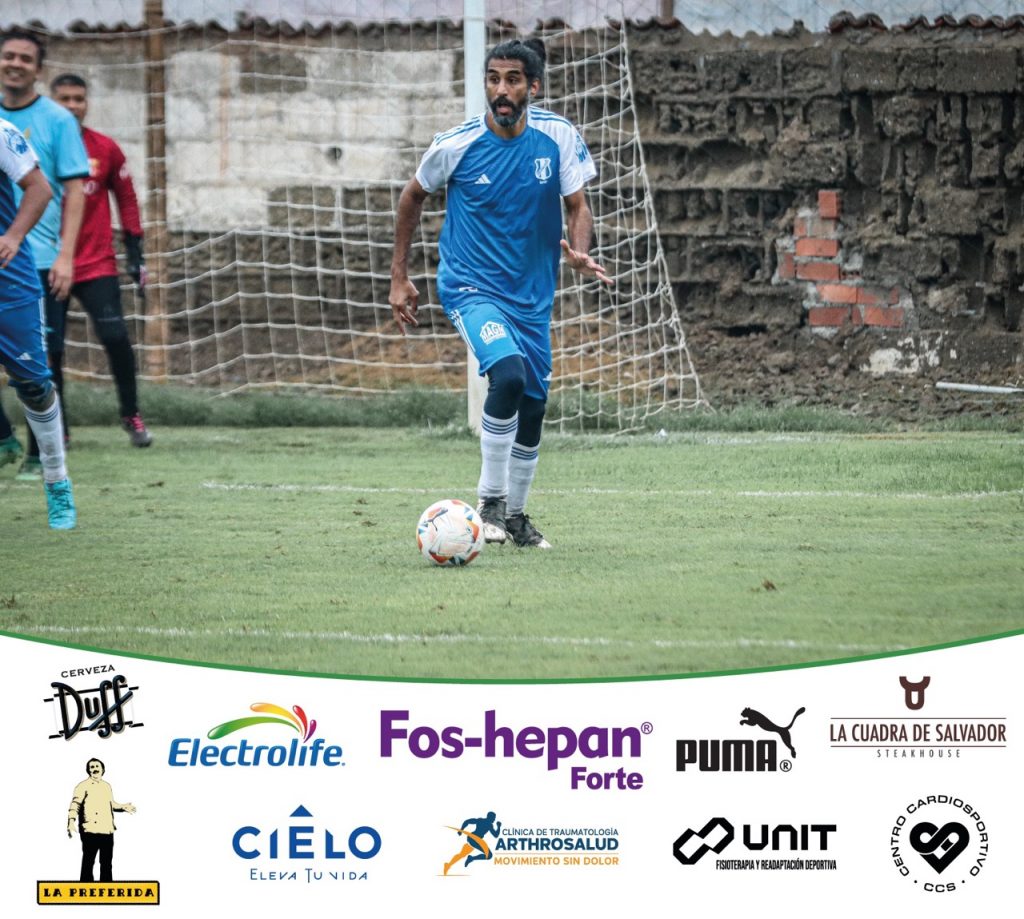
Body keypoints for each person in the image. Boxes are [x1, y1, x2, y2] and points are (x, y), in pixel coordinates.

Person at [389, 38, 609, 550]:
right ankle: (489, 502)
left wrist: (579, 252)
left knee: (533, 405)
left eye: (512, 80)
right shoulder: (457, 144)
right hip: (470, 287)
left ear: (533, 87)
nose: (501, 90)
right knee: (507, 376)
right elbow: (412, 196)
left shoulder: (557, 137)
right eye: (493, 79)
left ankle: (516, 517)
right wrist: (400, 276)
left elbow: (578, 205)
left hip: (532, 295)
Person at [0, 29, 88, 479]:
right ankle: (4, 436)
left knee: (40, 361)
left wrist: (66, 255)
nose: (15, 64)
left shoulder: (57, 119)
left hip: (38, 256)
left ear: (38, 69)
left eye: (25, 58)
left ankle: (42, 456)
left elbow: (73, 190)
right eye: (8, 56)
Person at [50, 73, 152, 448]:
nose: (72, 106)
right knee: (51, 349)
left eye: (78, 98)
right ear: (51, 102)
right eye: (64, 98)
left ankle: (131, 415)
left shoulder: (105, 148)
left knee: (116, 337)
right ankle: (58, 427)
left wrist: (135, 251)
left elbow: (126, 198)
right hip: (48, 265)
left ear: (86, 103)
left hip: (96, 265)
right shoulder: (37, 147)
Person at [0, 114, 76, 528]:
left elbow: (40, 188)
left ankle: (56, 480)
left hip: (8, 283)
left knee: (33, 385)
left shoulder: (1, 132)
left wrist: (13, 236)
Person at [67, 758, 136, 882]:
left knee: (106, 863)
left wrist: (123, 807)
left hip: (107, 830)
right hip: (90, 830)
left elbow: (112, 804)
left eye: (97, 766)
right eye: (92, 767)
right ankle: (85, 889)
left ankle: (107, 889)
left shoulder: (106, 786)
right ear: (88, 770)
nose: (95, 769)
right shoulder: (82, 786)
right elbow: (75, 804)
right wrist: (71, 821)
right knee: (88, 862)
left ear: (103, 769)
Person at [444, 811, 502, 875]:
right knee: (489, 855)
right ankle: (471, 858)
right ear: (490, 817)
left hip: (471, 838)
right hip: (476, 840)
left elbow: (467, 821)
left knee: (462, 854)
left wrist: (461, 830)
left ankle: (448, 865)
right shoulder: (489, 825)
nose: (494, 820)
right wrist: (499, 826)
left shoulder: (480, 820)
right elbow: (496, 835)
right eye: (494, 818)